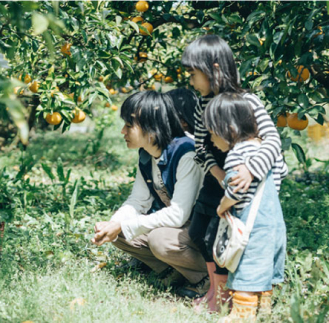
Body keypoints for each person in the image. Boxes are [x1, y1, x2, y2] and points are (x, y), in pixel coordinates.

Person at [179, 34, 288, 311]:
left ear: (214, 69)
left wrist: (251, 171)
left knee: (233, 236)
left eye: (194, 74)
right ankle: (217, 290)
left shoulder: (247, 101)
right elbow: (201, 148)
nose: (191, 80)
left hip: (247, 179)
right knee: (201, 232)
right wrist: (218, 175)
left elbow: (272, 140)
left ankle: (229, 296)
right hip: (221, 174)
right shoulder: (201, 104)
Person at [91, 90, 208, 292]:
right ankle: (173, 271)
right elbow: (138, 200)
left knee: (159, 239)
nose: (122, 132)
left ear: (151, 129)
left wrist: (122, 226)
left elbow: (178, 215)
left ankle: (205, 277)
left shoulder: (186, 153)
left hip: (202, 232)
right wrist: (114, 224)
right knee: (119, 231)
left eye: (129, 126)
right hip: (180, 228)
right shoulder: (147, 154)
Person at [203, 92, 286, 322]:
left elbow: (236, 190)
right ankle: (264, 310)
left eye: (212, 132)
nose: (211, 139)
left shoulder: (236, 154)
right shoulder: (265, 151)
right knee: (265, 269)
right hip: (274, 224)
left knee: (247, 269)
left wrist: (222, 205)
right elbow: (281, 173)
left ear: (228, 128)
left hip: (253, 227)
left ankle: (242, 314)